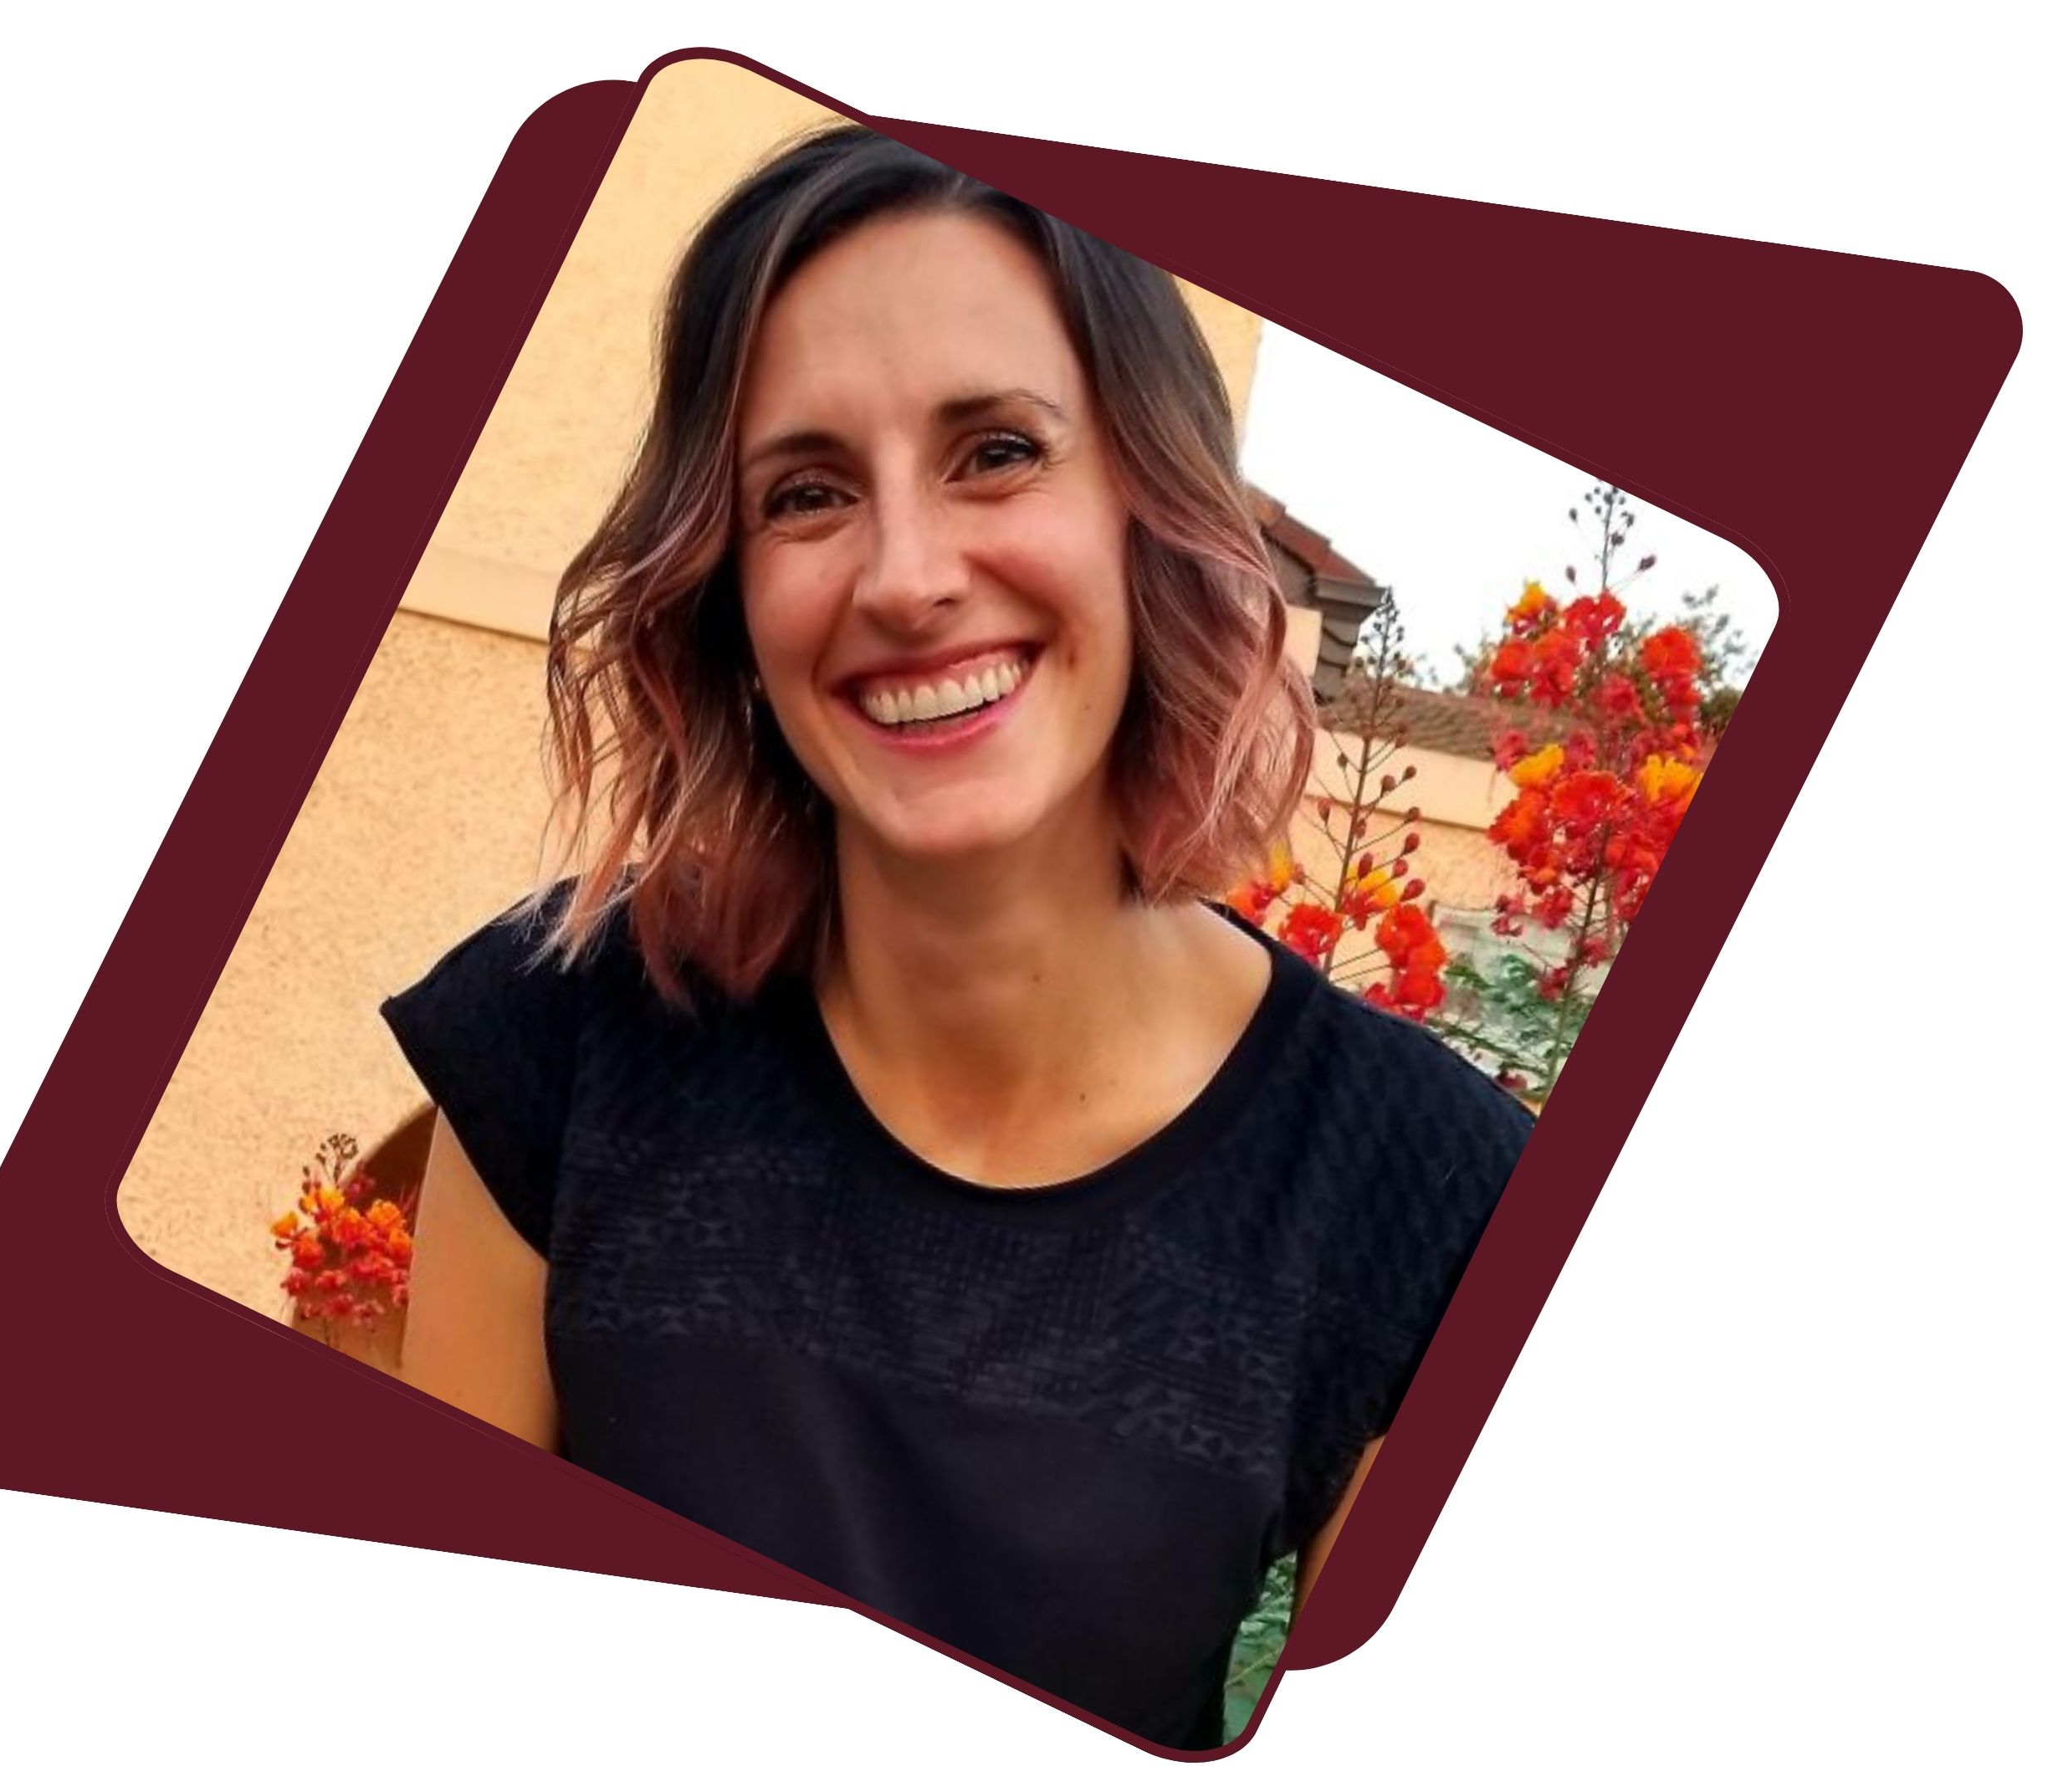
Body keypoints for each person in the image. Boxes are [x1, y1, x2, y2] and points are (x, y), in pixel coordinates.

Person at [381, 123, 1531, 1751]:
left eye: (995, 451)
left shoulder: (1432, 1203)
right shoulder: (558, 1035)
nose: (906, 577)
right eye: (805, 492)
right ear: (726, 593)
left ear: (1152, 511)